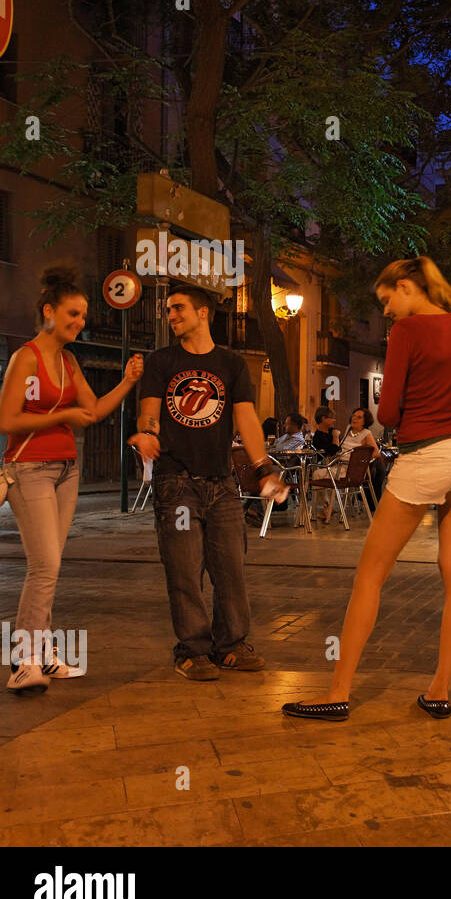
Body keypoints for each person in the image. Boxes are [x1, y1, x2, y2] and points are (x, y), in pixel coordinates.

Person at [283, 256, 451, 722]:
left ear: (406, 287)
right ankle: (439, 690)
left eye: (386, 300)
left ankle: (338, 692)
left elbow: (386, 412)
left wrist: (422, 416)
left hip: (424, 456)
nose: (384, 312)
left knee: (370, 575)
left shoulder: (407, 332)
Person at [0, 267, 143, 693]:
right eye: (73, 314)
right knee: (44, 565)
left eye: (83, 315)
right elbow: (6, 421)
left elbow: (94, 411)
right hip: (29, 470)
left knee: (50, 568)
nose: (81, 322)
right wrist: (60, 416)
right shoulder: (28, 357)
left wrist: (128, 382)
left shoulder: (68, 360)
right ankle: (23, 662)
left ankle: (42, 655)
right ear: (48, 312)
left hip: (66, 469)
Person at [129, 284, 287, 681]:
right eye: (168, 310)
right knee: (184, 571)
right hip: (175, 482)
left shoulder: (231, 365)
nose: (171, 315)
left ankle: (230, 646)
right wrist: (147, 432)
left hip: (221, 483)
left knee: (230, 568)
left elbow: (247, 420)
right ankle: (192, 650)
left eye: (178, 308)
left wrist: (263, 467)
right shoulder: (161, 362)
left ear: (203, 312)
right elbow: (149, 412)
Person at [317, 407, 382, 525]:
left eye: (359, 417)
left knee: (320, 475)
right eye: (353, 415)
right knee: (317, 473)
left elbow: (376, 453)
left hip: (352, 471)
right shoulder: (348, 430)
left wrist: (360, 461)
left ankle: (328, 508)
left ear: (365, 421)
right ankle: (327, 506)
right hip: (339, 466)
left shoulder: (366, 433)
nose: (354, 418)